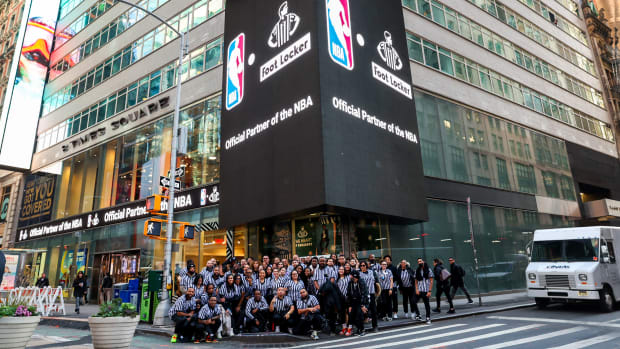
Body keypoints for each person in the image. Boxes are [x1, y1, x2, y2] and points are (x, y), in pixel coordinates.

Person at [347, 270, 368, 336]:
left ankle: (362, 330)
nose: (351, 277)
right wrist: (350, 305)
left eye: (352, 276)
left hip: (360, 301)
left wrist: (363, 305)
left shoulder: (361, 282)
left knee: (359, 315)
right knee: (352, 316)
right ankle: (358, 329)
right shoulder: (350, 283)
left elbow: (364, 294)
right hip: (353, 302)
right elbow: (349, 294)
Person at [413, 258, 434, 324]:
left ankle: (428, 318)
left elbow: (431, 281)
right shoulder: (417, 270)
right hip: (419, 290)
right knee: (413, 301)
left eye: (420, 261)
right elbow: (416, 281)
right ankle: (418, 315)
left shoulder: (428, 270)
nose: (419, 262)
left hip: (426, 290)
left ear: (423, 261)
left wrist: (429, 291)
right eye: (418, 261)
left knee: (426, 304)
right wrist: (416, 289)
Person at [359, 262, 378, 332]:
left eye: (363, 265)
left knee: (374, 311)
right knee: (363, 311)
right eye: (361, 266)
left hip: (372, 293)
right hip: (364, 295)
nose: (362, 267)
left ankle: (375, 326)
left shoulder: (372, 272)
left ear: (366, 266)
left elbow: (376, 282)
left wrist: (377, 292)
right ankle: (362, 328)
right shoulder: (359, 274)